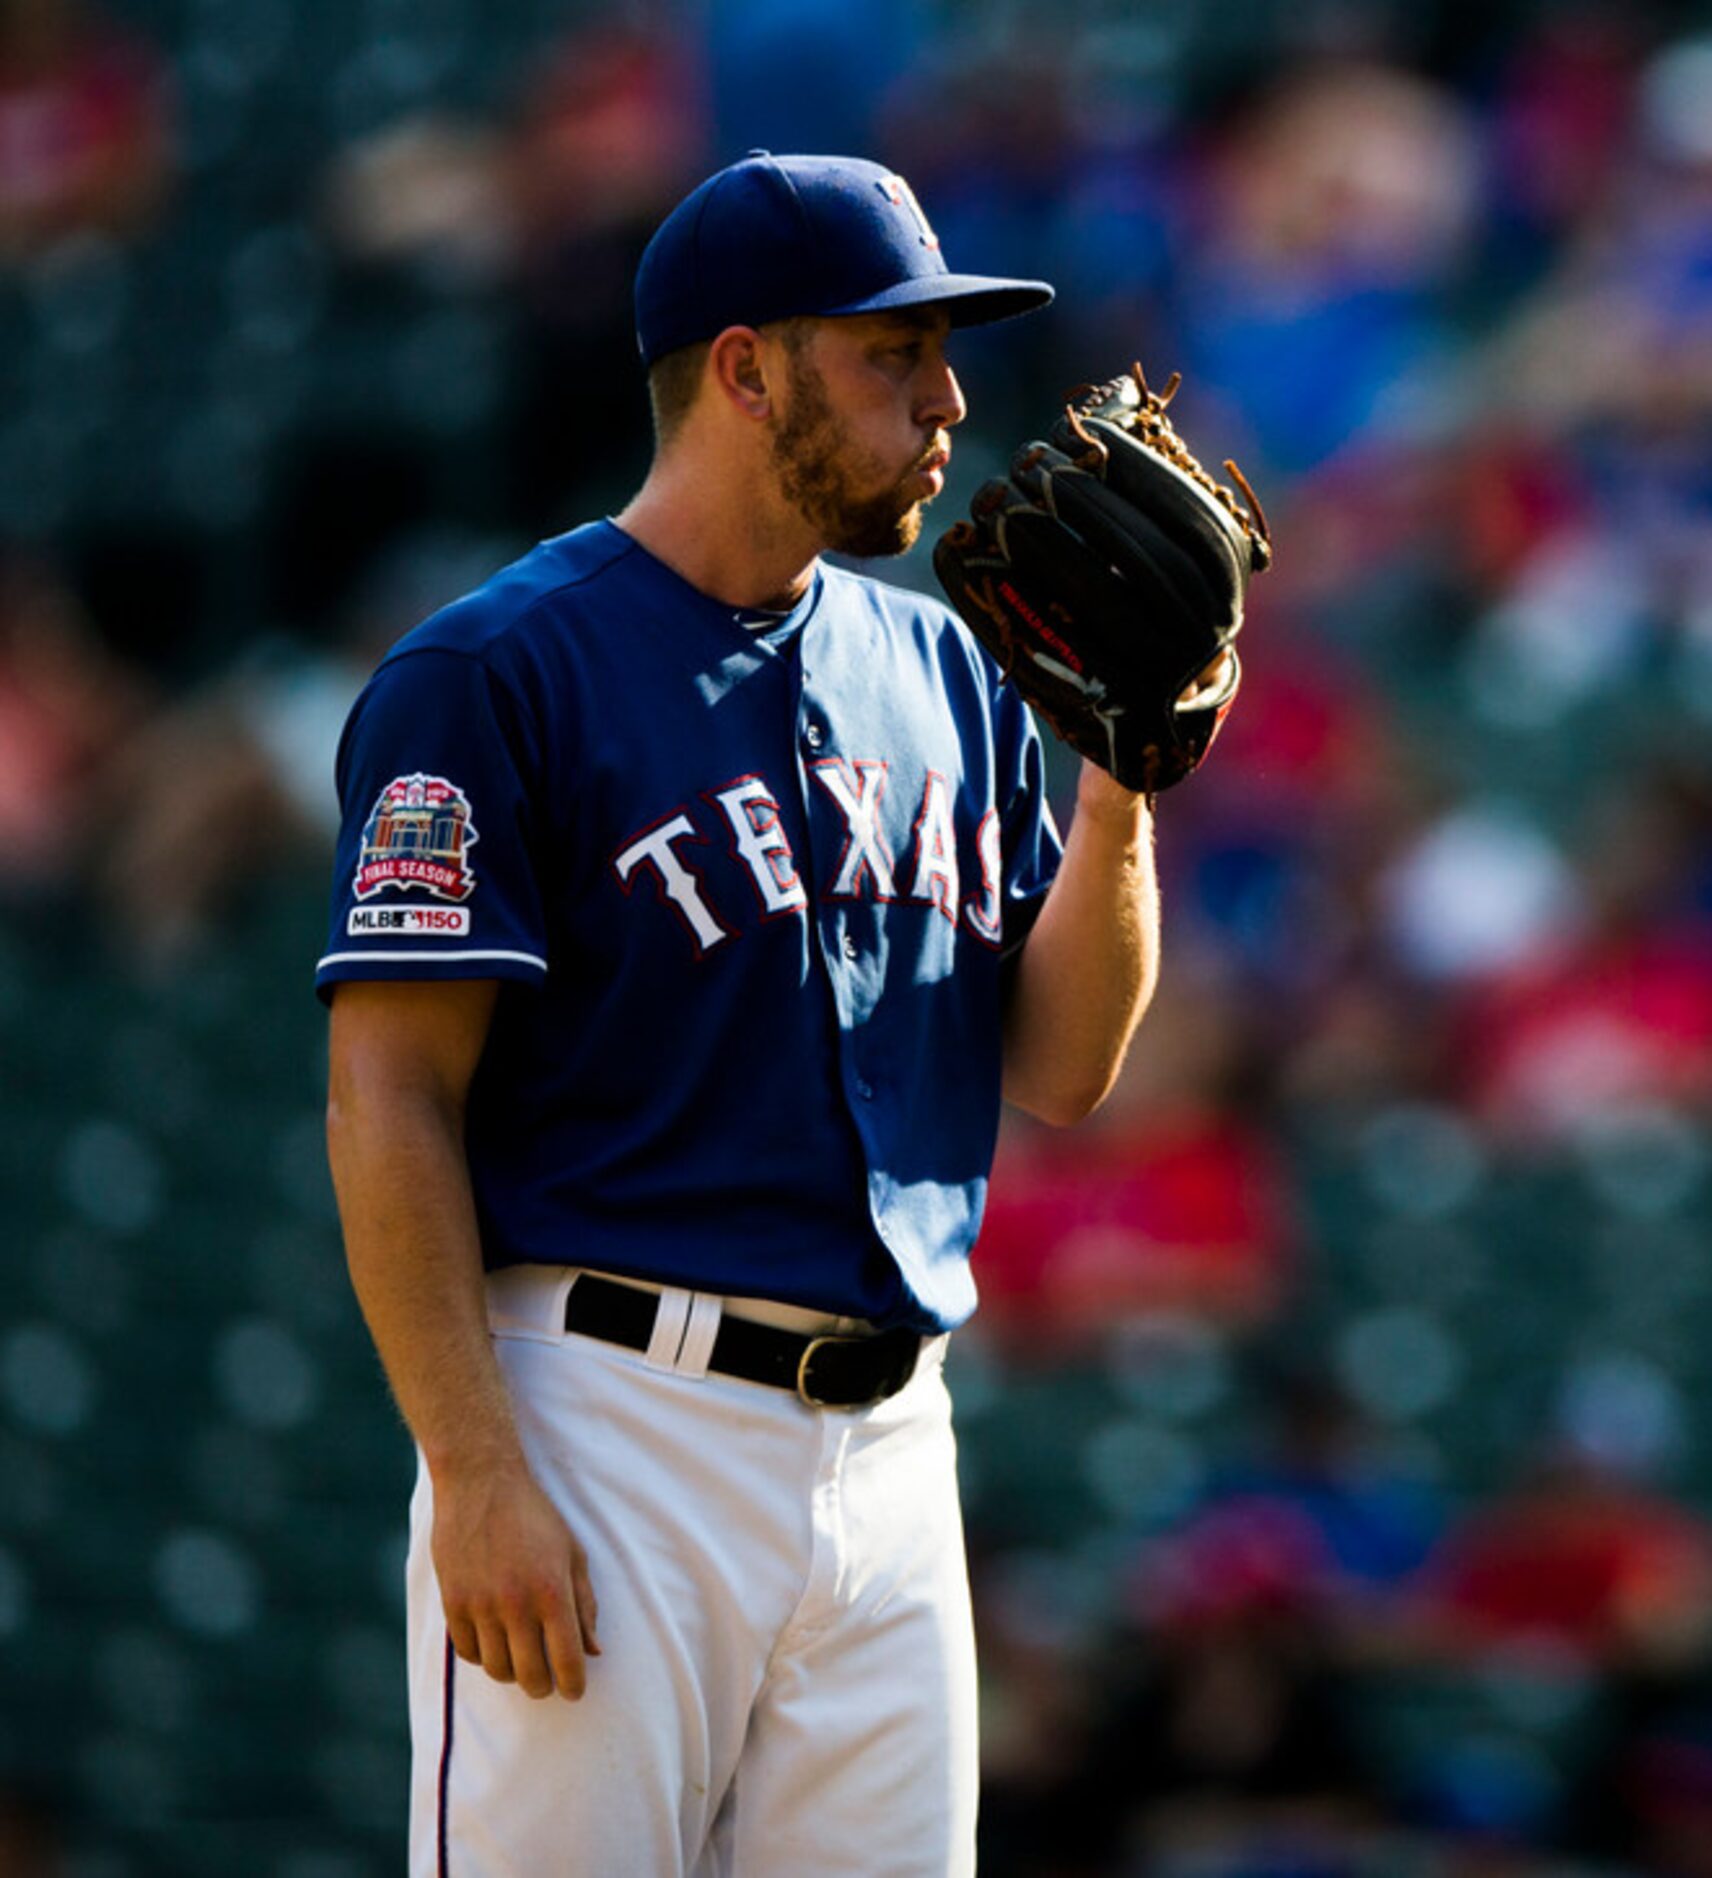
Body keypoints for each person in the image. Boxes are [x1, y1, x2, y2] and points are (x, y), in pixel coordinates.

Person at [319, 151, 1185, 1875]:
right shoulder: (496, 674)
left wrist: (1122, 795)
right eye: (890, 353)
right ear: (741, 367)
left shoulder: (953, 669)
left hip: (892, 1447)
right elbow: (388, 1095)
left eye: (943, 356)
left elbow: (1070, 1070)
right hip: (607, 1422)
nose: (948, 400)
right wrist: (475, 1468)